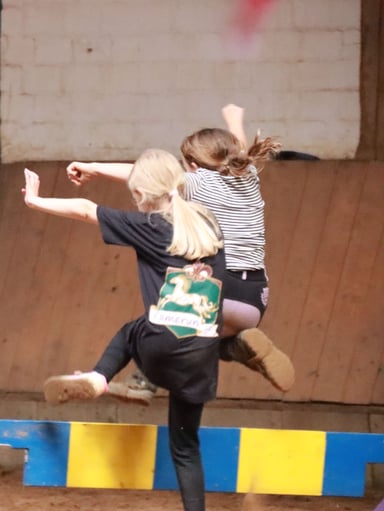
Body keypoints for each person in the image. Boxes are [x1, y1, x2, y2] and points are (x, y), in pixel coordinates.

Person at [23, 148, 224, 511]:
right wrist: (95, 169)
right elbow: (155, 175)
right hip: (202, 353)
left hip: (159, 345)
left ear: (141, 194)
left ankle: (102, 377)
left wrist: (36, 200)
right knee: (185, 446)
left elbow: (86, 209)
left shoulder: (150, 225)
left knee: (133, 330)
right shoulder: (207, 222)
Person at [66, 104, 294, 404]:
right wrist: (234, 119)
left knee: (158, 330)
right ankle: (241, 345)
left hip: (216, 293)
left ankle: (142, 382)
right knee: (204, 341)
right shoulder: (248, 176)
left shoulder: (196, 183)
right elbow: (239, 151)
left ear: (193, 165)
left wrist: (94, 167)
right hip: (254, 300)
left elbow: (144, 175)